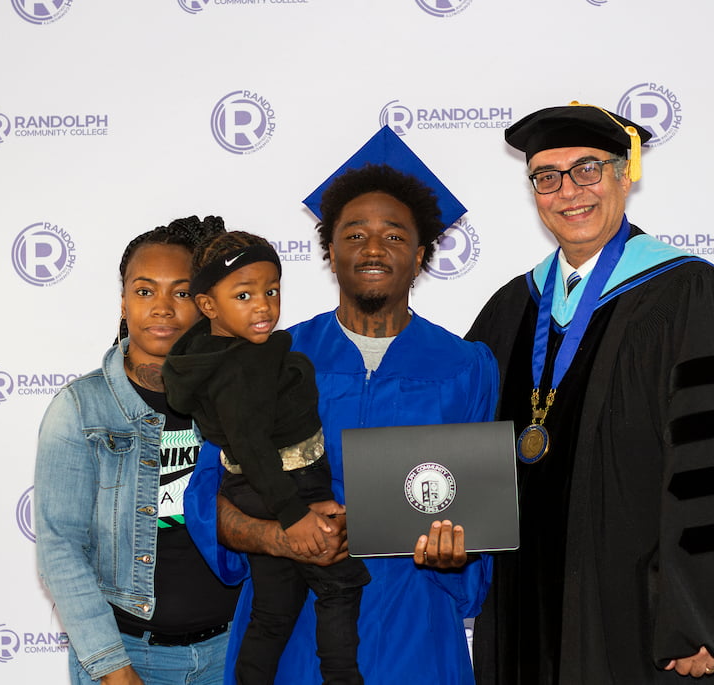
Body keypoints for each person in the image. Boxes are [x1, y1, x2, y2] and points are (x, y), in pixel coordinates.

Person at [466, 102, 714, 684]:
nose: (568, 192)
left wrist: (707, 617)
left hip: (644, 617)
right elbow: (462, 448)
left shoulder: (689, 294)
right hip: (526, 610)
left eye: (588, 169)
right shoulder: (510, 309)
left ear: (625, 174)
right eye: (547, 177)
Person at [182, 159, 499, 685]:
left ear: (420, 256)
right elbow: (208, 496)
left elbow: (476, 512)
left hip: (416, 630)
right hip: (295, 630)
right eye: (355, 234)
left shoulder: (465, 366)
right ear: (330, 252)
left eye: (394, 235)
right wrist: (282, 538)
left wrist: (457, 554)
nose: (373, 248)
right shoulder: (266, 357)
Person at [35, 216, 240, 685]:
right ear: (124, 304)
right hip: (128, 656)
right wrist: (112, 667)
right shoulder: (82, 409)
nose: (162, 308)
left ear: (206, 305)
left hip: (231, 652)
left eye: (181, 292)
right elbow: (60, 546)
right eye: (145, 291)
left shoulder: (237, 400)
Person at [162, 228, 370, 685]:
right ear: (208, 306)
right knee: (340, 584)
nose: (263, 305)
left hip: (273, 485)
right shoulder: (238, 367)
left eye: (271, 291)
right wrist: (294, 516)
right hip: (279, 486)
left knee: (274, 609)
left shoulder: (229, 354)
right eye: (243, 295)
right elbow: (253, 449)